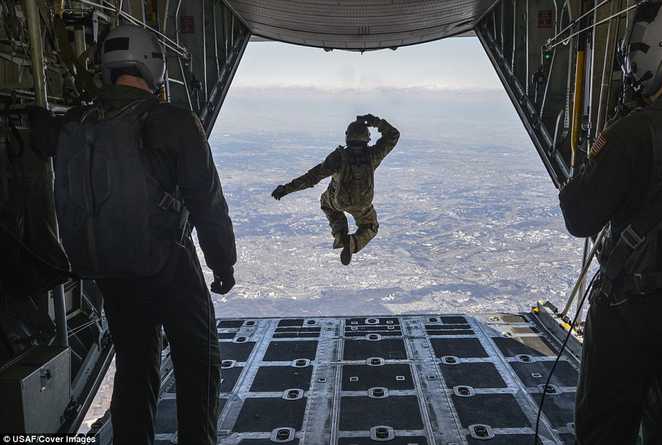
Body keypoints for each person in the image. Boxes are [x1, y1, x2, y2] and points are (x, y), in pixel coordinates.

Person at [31, 25, 236, 445]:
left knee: (135, 366)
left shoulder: (74, 123)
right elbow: (207, 202)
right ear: (152, 65)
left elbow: (44, 141)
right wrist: (222, 264)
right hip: (168, 265)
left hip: (109, 270)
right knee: (198, 364)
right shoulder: (172, 121)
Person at [558, 2, 662, 443]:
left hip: (633, 312)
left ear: (651, 49)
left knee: (606, 430)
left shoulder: (637, 130)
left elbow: (579, 215)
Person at [271, 114, 399, 265]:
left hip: (340, 201)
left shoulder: (338, 157)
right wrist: (374, 121)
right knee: (370, 226)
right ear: (367, 138)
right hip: (363, 204)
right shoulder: (373, 155)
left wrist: (285, 189)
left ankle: (340, 236)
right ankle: (353, 242)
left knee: (326, 203)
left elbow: (311, 178)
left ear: (347, 137)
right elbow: (393, 135)